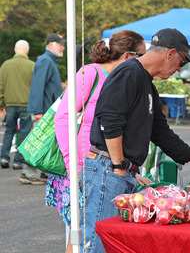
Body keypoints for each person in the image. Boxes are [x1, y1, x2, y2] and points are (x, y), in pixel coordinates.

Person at [81, 28, 190, 253]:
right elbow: (110, 120)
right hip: (108, 169)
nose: (179, 69)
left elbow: (161, 132)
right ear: (170, 53)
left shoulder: (147, 84)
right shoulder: (129, 73)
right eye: (181, 62)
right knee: (98, 244)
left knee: (115, 243)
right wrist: (118, 166)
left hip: (119, 170)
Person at [47, 31, 151, 253]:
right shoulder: (91, 73)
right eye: (141, 55)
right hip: (80, 166)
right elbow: (63, 117)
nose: (145, 61)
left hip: (104, 168)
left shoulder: (125, 80)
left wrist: (126, 166)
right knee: (79, 233)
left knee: (92, 231)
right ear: (127, 56)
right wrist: (72, 165)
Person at [24, 33, 66, 184]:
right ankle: (28, 173)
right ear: (51, 45)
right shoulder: (45, 60)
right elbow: (37, 86)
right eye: (60, 44)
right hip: (42, 111)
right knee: (37, 143)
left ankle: (39, 172)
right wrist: (37, 111)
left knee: (42, 142)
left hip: (46, 110)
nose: (63, 47)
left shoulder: (48, 60)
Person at [0, 40, 35, 170]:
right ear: (27, 51)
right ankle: (18, 161)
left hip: (10, 104)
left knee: (9, 130)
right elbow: (35, 87)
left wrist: (1, 104)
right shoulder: (32, 65)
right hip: (27, 104)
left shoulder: (6, 65)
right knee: (24, 132)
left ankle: (4, 157)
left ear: (15, 50)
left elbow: (1, 85)